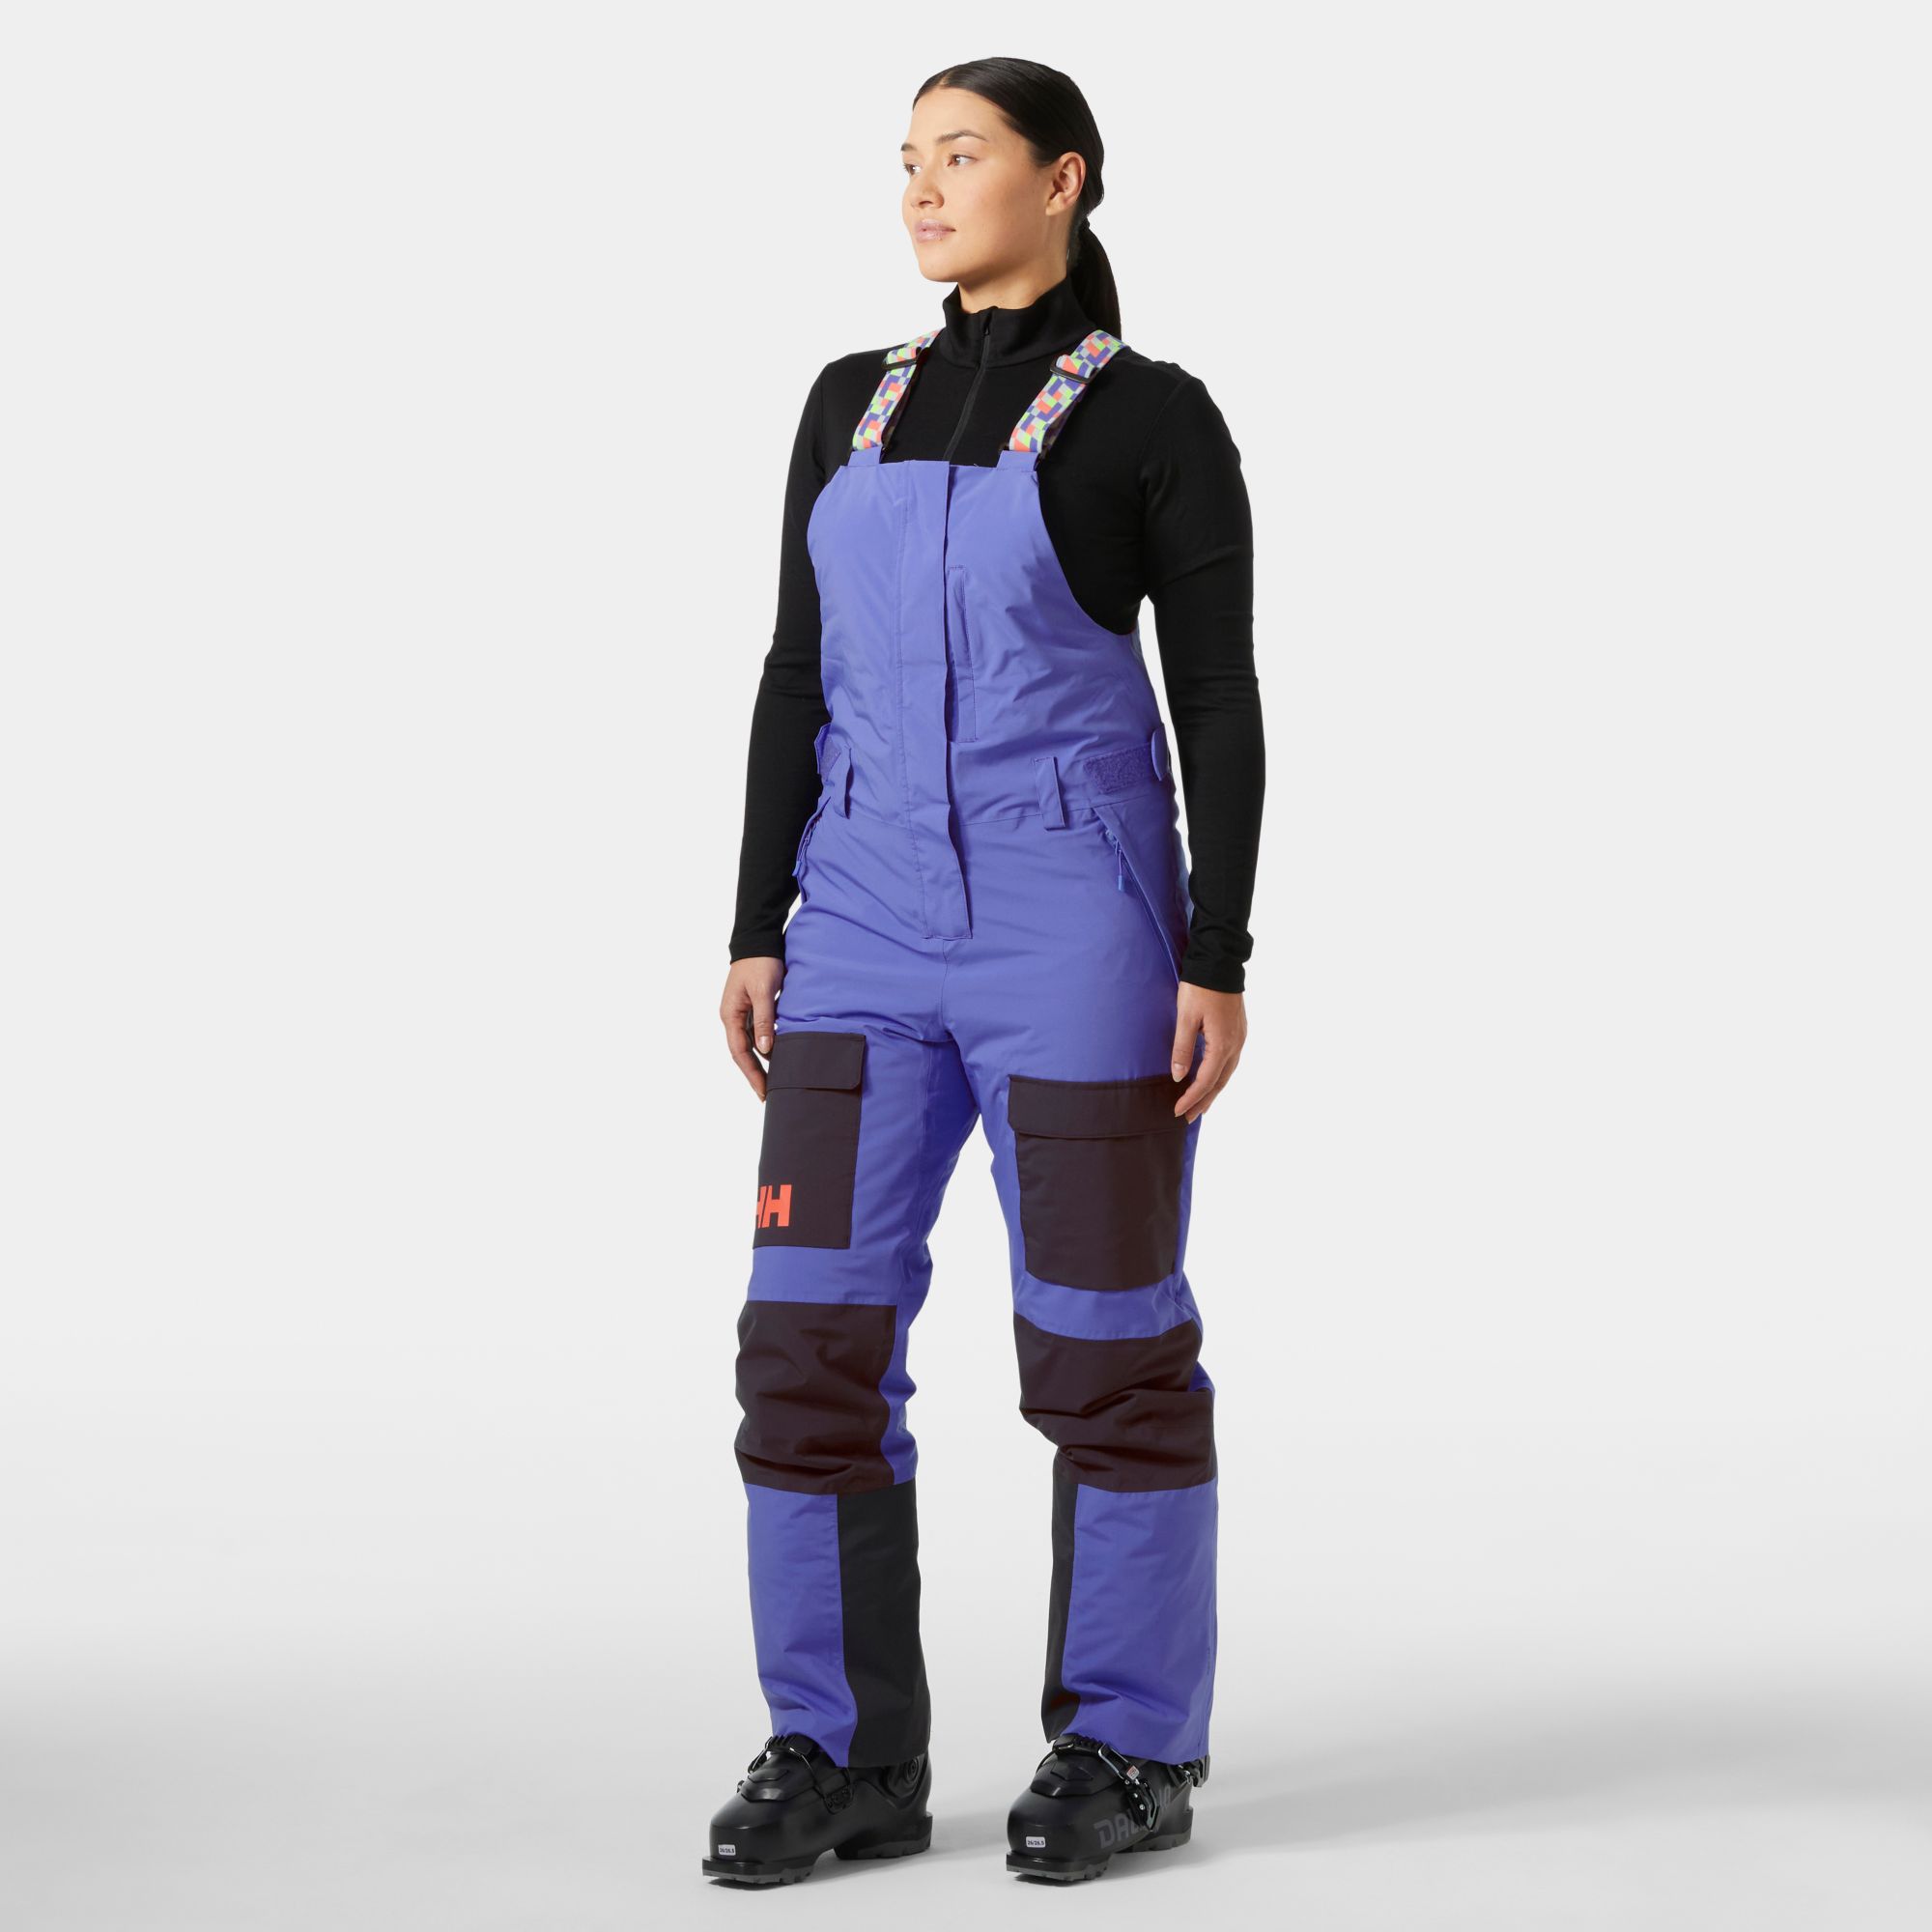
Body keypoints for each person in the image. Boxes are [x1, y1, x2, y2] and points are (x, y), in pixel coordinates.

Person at [704, 55, 1264, 1887]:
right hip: (859, 923)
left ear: (1065, 180)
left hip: (1074, 928)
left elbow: (1219, 698)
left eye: (961, 156)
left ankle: (1129, 1745)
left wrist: (1215, 951)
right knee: (806, 1341)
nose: (924, 191)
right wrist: (758, 921)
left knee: (1107, 1352)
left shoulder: (1152, 417)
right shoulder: (847, 402)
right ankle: (844, 1751)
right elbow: (795, 672)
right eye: (909, 161)